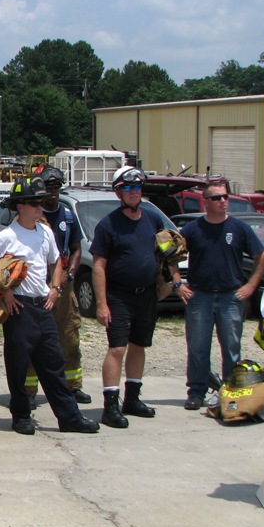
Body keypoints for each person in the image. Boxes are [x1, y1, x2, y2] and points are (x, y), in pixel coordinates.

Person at [0, 176, 99, 435]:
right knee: (18, 365)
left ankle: (69, 418)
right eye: (34, 202)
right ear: (19, 206)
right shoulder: (7, 236)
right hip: (19, 308)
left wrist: (55, 289)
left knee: (54, 364)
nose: (40, 207)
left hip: (43, 306)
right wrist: (4, 293)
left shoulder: (45, 232)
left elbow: (56, 264)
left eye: (41, 202)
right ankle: (21, 416)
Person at [177, 182, 264, 410]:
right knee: (198, 347)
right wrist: (177, 282)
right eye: (217, 198)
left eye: (225, 197)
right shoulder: (193, 229)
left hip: (230, 298)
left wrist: (251, 285)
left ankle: (231, 392)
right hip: (200, 297)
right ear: (205, 202)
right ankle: (196, 392)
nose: (223, 201)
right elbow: (169, 252)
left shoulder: (239, 228)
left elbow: (262, 255)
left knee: (231, 347)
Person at [90, 166, 167, 428]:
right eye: (128, 188)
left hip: (146, 295)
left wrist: (172, 280)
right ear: (118, 192)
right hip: (118, 295)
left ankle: (132, 399)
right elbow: (98, 265)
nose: (134, 193)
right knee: (117, 348)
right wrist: (101, 304)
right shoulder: (108, 225)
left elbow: (166, 252)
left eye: (137, 188)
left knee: (139, 346)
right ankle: (110, 407)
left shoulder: (153, 219)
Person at [36, 165, 91, 405]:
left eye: (56, 187)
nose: (52, 192)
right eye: (48, 188)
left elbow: (77, 248)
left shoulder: (67, 215)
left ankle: (73, 386)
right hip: (39, 284)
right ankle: (29, 392)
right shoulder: (32, 214)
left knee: (69, 335)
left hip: (64, 284)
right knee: (34, 338)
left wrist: (70, 274)